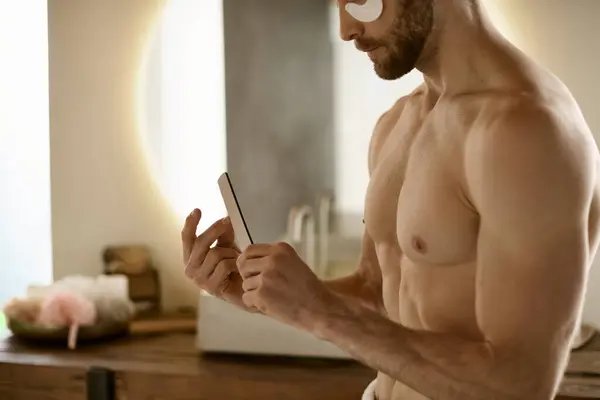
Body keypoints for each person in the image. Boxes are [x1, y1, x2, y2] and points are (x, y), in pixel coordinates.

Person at [181, 0, 600, 398]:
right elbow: (379, 292)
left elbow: (520, 386)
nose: (346, 29)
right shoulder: (397, 123)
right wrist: (270, 298)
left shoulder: (524, 130)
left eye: (362, 1)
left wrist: (320, 312)